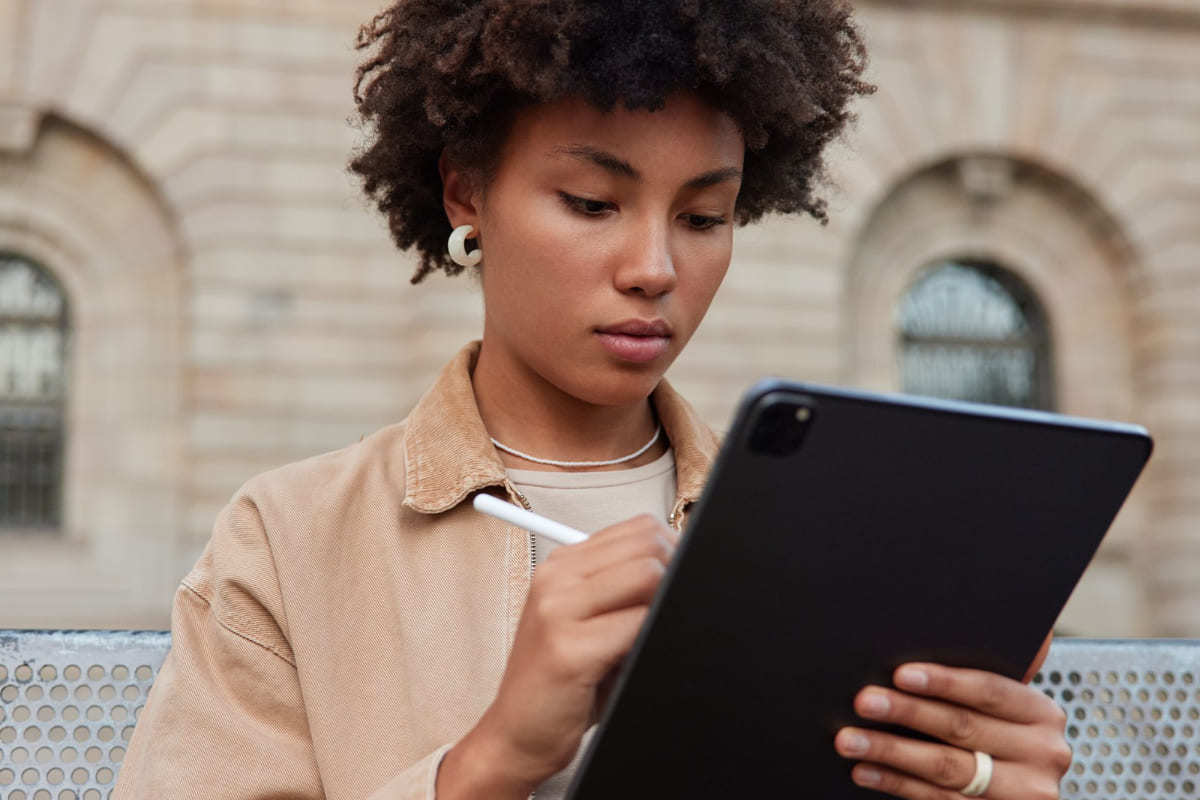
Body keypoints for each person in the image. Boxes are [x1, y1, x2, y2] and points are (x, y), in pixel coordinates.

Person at [113, 1, 1071, 799]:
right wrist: (489, 763)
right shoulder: (290, 543)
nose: (654, 269)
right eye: (591, 203)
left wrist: (986, 784)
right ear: (464, 195)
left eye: (704, 217)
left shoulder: (836, 539)